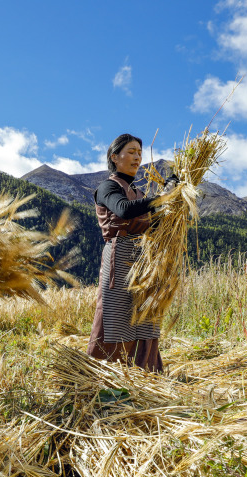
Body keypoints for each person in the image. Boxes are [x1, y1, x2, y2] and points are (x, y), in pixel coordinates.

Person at [87, 133, 178, 371]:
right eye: (131, 152)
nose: (137, 157)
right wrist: (160, 198)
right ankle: (105, 374)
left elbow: (154, 222)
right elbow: (123, 210)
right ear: (114, 157)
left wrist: (173, 201)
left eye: (139, 152)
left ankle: (144, 373)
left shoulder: (138, 193)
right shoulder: (108, 187)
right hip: (120, 256)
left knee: (145, 316)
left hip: (144, 259)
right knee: (116, 315)